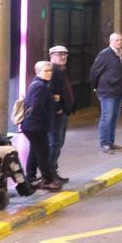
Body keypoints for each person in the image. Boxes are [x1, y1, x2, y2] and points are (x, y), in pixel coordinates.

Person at [20, 60, 63, 191]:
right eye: (45, 71)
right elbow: (37, 106)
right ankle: (48, 180)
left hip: (32, 126)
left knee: (35, 151)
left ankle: (31, 177)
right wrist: (47, 118)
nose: (49, 73)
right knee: (43, 153)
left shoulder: (39, 84)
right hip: (36, 126)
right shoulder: (40, 86)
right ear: (38, 72)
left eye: (50, 71)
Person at [89, 32, 122, 153]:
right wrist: (96, 87)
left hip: (118, 91)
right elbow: (94, 72)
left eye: (121, 40)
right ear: (110, 41)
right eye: (117, 40)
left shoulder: (121, 54)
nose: (119, 42)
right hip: (106, 91)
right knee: (107, 117)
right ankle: (104, 143)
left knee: (114, 118)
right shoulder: (105, 54)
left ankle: (111, 142)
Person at [47, 45, 74, 182]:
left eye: (65, 54)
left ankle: (53, 171)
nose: (63, 57)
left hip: (62, 113)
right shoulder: (53, 71)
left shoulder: (61, 70)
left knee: (58, 143)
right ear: (51, 56)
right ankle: (50, 174)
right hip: (56, 115)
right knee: (54, 143)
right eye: (59, 54)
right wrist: (57, 106)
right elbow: (51, 93)